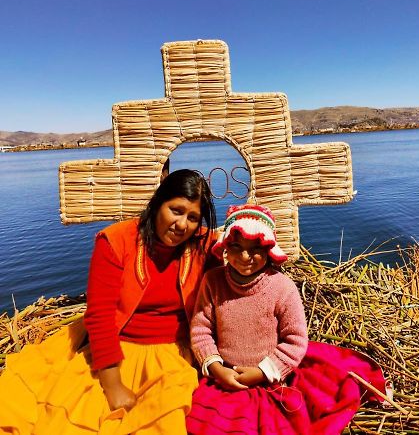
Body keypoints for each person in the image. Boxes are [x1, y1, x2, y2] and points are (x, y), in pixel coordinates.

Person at [0, 169, 219, 435]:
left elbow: (246, 251)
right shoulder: (117, 241)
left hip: (175, 354)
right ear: (158, 203)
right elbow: (100, 315)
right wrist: (112, 384)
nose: (182, 224)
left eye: (193, 218)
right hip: (117, 352)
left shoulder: (204, 246)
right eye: (176, 210)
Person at [186, 204, 387, 435]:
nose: (244, 256)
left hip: (270, 378)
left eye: (255, 249)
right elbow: (201, 330)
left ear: (270, 250)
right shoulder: (213, 281)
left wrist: (262, 372)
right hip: (224, 376)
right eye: (236, 247)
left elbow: (295, 340)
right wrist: (216, 368)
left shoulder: (281, 287)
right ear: (225, 248)